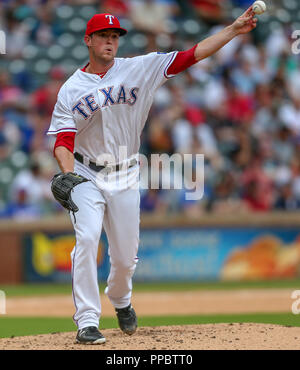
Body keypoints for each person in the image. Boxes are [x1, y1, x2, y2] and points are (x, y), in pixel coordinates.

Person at [48, 9, 257, 344]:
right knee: (86, 239)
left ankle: (120, 299)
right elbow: (63, 141)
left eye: (115, 37)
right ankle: (87, 321)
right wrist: (67, 174)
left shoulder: (139, 68)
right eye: (103, 36)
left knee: (126, 258)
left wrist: (232, 29)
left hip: (126, 173)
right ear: (88, 40)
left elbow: (192, 55)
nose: (110, 41)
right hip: (86, 172)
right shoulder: (71, 89)